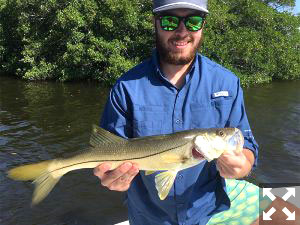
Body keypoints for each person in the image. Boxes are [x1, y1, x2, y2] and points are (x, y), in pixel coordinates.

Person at [93, 1, 299, 224]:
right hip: (148, 216)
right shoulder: (125, 87)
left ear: (203, 25)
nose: (182, 31)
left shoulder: (227, 82)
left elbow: (246, 144)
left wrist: (243, 166)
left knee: (292, 213)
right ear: (155, 23)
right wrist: (110, 177)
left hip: (210, 211)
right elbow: (107, 152)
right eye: (170, 21)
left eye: (193, 21)